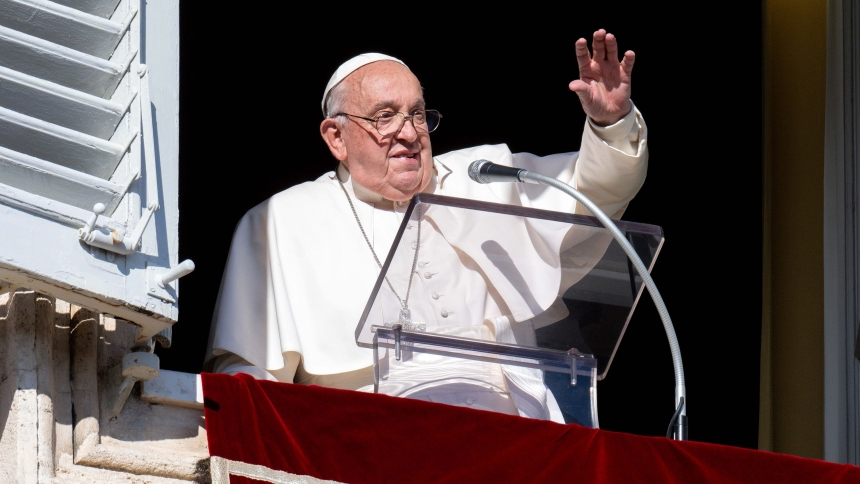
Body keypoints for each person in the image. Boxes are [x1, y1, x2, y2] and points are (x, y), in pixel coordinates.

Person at [205, 29, 648, 420]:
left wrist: (610, 123)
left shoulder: (482, 176)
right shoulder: (283, 220)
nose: (410, 133)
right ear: (335, 137)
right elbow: (248, 375)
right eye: (384, 117)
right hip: (371, 439)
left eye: (418, 114)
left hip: (517, 432)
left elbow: (593, 195)